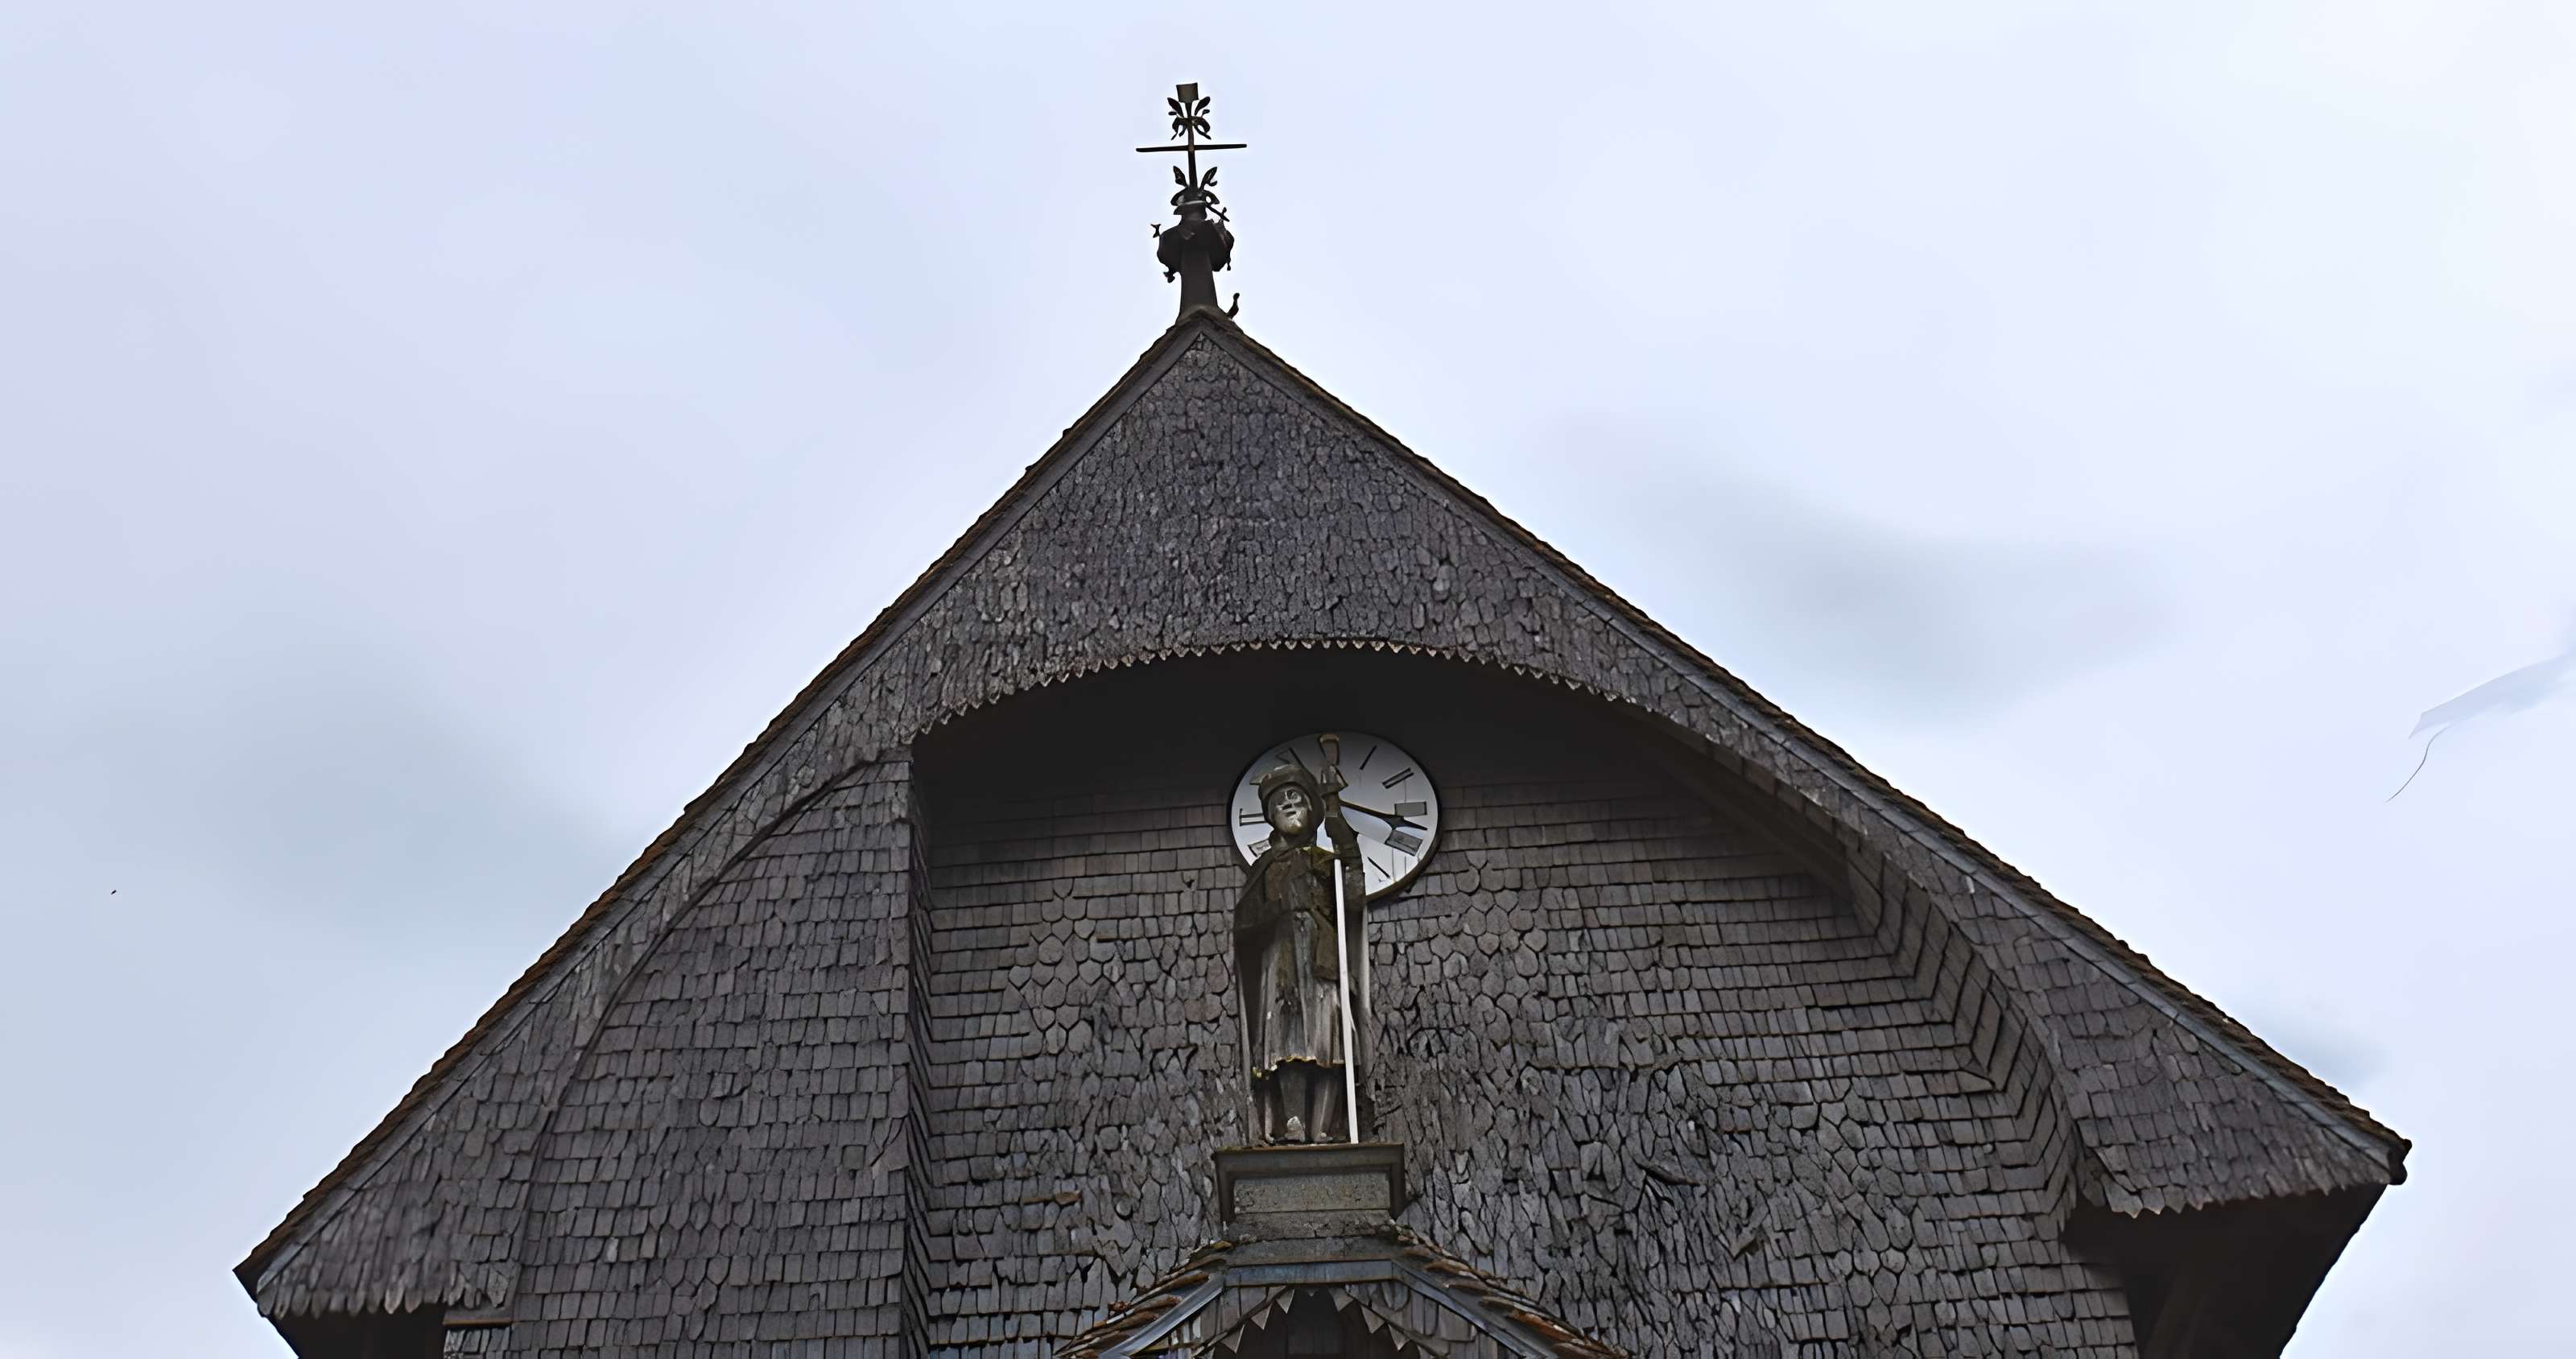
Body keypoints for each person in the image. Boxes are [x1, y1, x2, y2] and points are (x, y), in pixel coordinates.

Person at [1234, 761, 1364, 1143]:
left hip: (1323, 957)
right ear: (1272, 817)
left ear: (1311, 810)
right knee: (1288, 1037)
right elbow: (1245, 924)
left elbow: (1353, 897)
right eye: (1281, 801)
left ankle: (1324, 1126)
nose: (1290, 804)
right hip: (1281, 959)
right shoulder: (1265, 867)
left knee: (1329, 1038)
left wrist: (1337, 817)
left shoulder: (1329, 863)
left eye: (1297, 798)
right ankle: (1293, 1121)